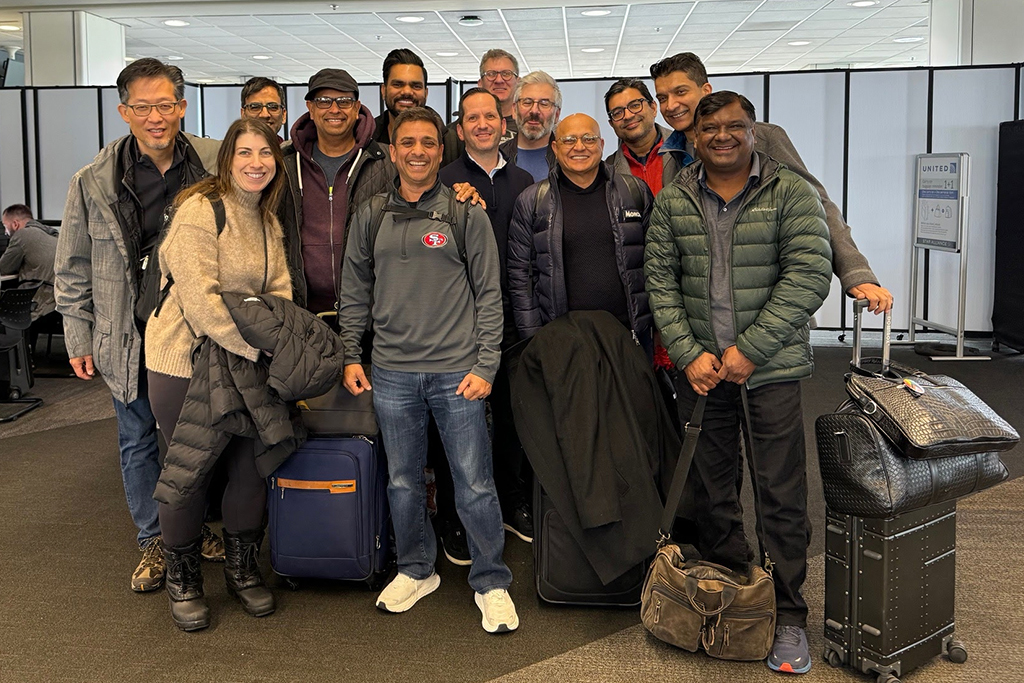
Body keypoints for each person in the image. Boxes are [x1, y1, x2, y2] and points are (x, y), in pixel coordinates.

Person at [644, 92, 833, 674]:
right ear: (694, 137)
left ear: (755, 132)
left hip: (769, 372)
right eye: (711, 128)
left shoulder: (790, 192)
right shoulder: (676, 198)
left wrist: (749, 351)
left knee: (780, 493)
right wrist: (688, 352)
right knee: (713, 492)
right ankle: (734, 596)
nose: (723, 136)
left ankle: (790, 615)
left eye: (736, 126)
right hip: (703, 376)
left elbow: (809, 275)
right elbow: (660, 281)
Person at [339, 107, 518, 634]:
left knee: (474, 484)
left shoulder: (467, 214)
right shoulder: (371, 214)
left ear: (443, 152)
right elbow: (355, 291)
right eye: (406, 143)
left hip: (457, 373)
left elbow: (490, 295)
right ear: (392, 152)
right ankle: (417, 569)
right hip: (391, 373)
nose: (417, 151)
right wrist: (351, 353)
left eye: (427, 143)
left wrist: (486, 365)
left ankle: (491, 580)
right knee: (402, 482)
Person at [55, 58, 223, 595]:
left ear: (182, 106)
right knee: (137, 439)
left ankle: (200, 531)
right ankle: (154, 541)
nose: (157, 117)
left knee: (202, 435)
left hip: (197, 331)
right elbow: (72, 265)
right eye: (144, 107)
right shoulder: (94, 181)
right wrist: (78, 336)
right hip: (126, 333)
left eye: (166, 105)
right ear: (125, 111)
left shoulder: (214, 164)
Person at [145, 117, 292, 631]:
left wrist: (278, 339)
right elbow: (199, 300)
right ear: (228, 158)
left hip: (245, 358)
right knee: (189, 472)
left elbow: (279, 291)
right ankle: (183, 581)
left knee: (250, 467)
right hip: (184, 359)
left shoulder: (267, 219)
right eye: (245, 152)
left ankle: (243, 572)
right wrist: (255, 347)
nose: (256, 163)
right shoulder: (199, 210)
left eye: (266, 154)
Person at [650, 52, 892, 313]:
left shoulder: (762, 138)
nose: (670, 105)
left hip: (771, 306)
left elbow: (817, 205)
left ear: (706, 90)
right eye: (662, 98)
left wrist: (856, 272)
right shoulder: (670, 154)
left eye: (680, 92)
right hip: (705, 312)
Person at [438, 88, 536, 557]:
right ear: (460, 130)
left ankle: (511, 499)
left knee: (515, 417)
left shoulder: (526, 181)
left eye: (490, 116)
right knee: (458, 423)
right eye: (471, 118)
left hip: (514, 321)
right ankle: (454, 515)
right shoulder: (442, 181)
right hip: (456, 325)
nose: (481, 124)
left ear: (504, 123)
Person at [507, 114, 653, 347]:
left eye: (588, 138)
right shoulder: (533, 201)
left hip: (628, 336)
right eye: (569, 140)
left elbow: (656, 266)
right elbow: (520, 277)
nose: (579, 147)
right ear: (555, 147)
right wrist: (534, 340)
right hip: (563, 341)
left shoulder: (634, 192)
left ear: (601, 145)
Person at [278, 68, 395, 315]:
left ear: (356, 108)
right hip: (302, 313)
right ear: (310, 108)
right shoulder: (285, 164)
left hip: (371, 313)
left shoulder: (385, 161)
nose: (334, 109)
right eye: (323, 101)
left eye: (344, 101)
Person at [603, 79, 683, 196]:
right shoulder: (607, 171)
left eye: (635, 105)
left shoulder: (686, 150)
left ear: (653, 108)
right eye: (617, 113)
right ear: (612, 124)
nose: (628, 116)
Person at [442, 49, 520, 166]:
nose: (499, 80)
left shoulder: (528, 128)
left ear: (518, 82)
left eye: (506, 74)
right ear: (480, 83)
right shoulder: (453, 134)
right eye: (491, 74)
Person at [499, 71, 561, 182]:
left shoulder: (566, 158)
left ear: (556, 114)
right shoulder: (498, 157)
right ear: (514, 110)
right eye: (527, 102)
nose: (534, 111)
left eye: (544, 103)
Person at [1, 204, 59, 320]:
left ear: (15, 224)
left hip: (39, 303)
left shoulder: (22, 235)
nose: (5, 232)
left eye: (5, 226)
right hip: (59, 302)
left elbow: (3, 268)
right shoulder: (52, 234)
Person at [374, 49, 429, 146]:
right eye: (398, 84)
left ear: (426, 93)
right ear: (383, 90)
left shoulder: (450, 142)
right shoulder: (364, 140)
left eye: (416, 86)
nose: (407, 92)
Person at [240, 76, 287, 141]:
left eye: (273, 107)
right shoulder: (226, 150)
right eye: (255, 107)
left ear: (283, 115)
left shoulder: (296, 150)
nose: (265, 115)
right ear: (243, 114)